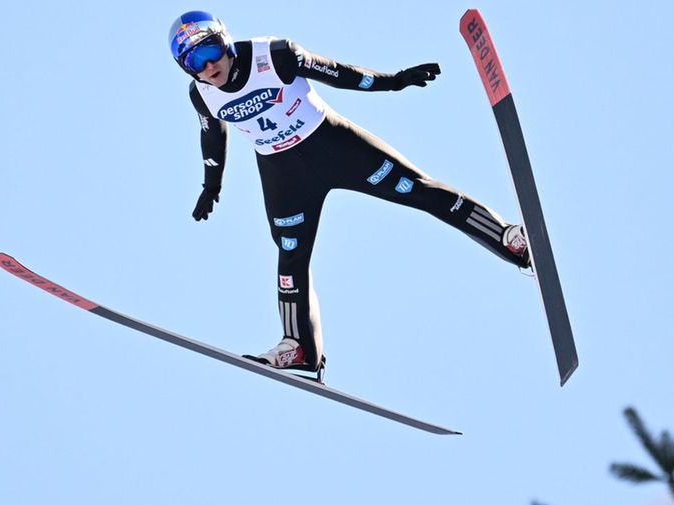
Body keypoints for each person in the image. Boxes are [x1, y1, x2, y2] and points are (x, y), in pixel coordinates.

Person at [169, 10, 531, 375]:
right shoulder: (201, 94)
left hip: (334, 148)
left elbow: (339, 73)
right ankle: (299, 347)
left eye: (210, 51)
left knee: (417, 190)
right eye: (195, 62)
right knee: (290, 255)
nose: (209, 66)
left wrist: (394, 81)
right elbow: (212, 135)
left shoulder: (274, 55)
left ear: (225, 42)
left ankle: (507, 238)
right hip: (284, 174)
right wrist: (211, 185)